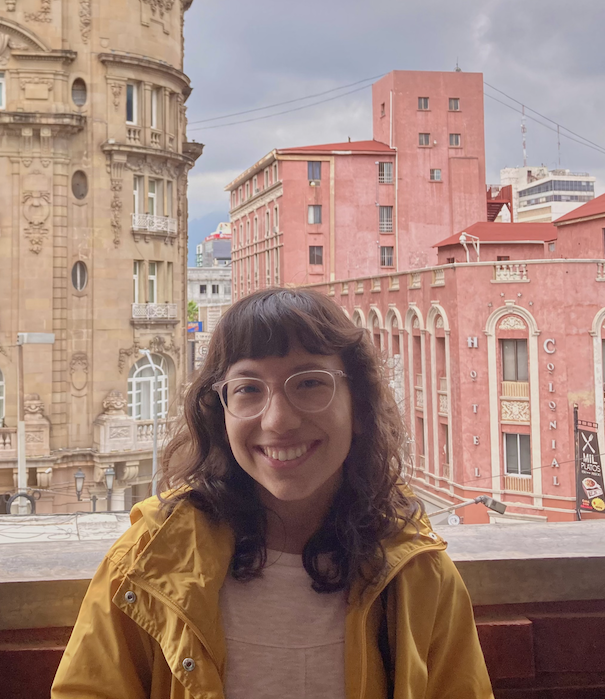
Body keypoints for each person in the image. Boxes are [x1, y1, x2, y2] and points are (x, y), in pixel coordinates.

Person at [52, 287, 493, 698]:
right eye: (248, 389)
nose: (278, 420)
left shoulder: (418, 576)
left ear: (358, 405)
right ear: (220, 414)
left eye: (309, 383)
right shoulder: (148, 560)